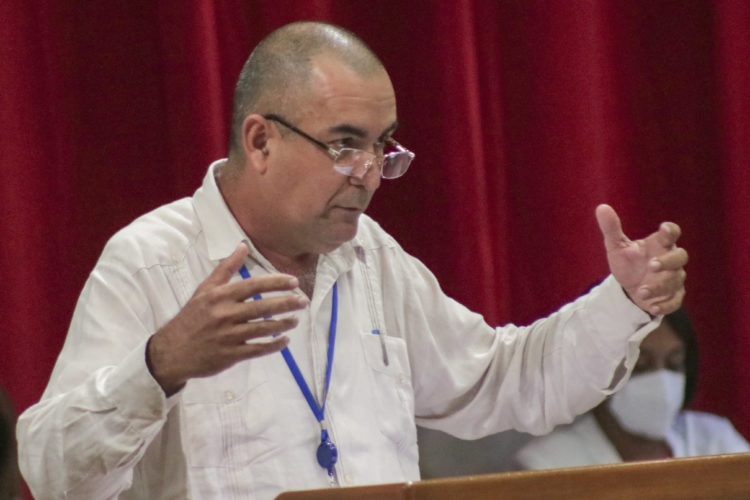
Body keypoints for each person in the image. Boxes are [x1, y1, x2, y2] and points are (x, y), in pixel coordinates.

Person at [17, 21, 687, 499]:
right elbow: (51, 473)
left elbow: (502, 379)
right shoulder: (152, 263)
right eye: (344, 145)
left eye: (383, 146)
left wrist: (623, 302)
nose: (368, 173)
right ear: (260, 140)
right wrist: (160, 366)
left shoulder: (372, 260)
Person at [515, 306, 750, 469]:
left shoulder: (715, 443)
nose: (661, 381)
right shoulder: (549, 465)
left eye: (673, 364)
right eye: (640, 367)